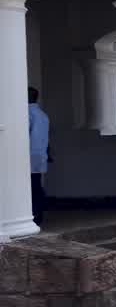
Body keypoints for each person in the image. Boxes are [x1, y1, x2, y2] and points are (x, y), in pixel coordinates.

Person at [28, 87, 49, 226]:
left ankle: (35, 214)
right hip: (39, 154)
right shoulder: (42, 114)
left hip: (28, 155)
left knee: (31, 187)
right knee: (36, 185)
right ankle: (38, 214)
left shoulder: (26, 114)